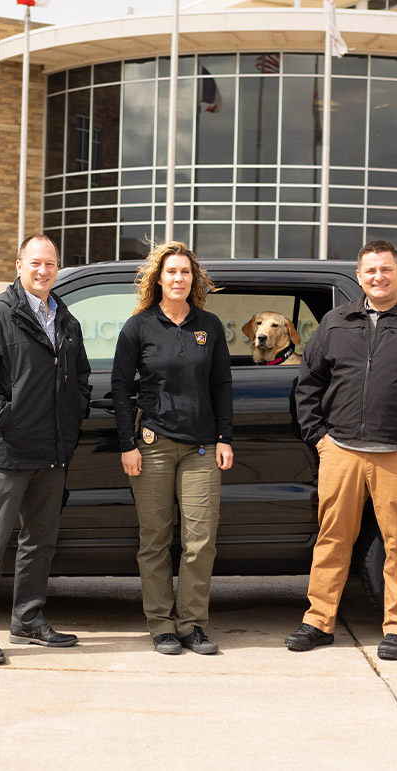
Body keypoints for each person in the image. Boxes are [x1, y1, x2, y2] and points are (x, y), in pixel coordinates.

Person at [288, 240, 397, 661]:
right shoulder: (337, 321)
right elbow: (308, 383)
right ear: (359, 276)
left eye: (386, 269)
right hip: (341, 451)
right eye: (370, 271)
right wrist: (319, 438)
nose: (378, 277)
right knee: (332, 538)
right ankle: (319, 620)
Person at [0, 234, 92, 665]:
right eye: (35, 263)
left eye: (50, 264)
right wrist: (7, 417)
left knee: (40, 543)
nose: (43, 271)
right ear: (19, 265)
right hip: (7, 452)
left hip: (52, 453)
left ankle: (28, 619)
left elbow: (81, 378)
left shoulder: (66, 320)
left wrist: (71, 419)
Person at [111, 241, 234, 656]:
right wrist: (127, 444)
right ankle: (162, 625)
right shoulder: (139, 327)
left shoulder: (210, 326)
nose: (178, 278)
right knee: (156, 539)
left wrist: (224, 437)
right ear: (158, 279)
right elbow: (120, 388)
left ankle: (193, 625)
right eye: (171, 272)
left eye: (185, 272)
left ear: (193, 279)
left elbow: (221, 385)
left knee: (200, 541)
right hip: (153, 447)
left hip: (201, 449)